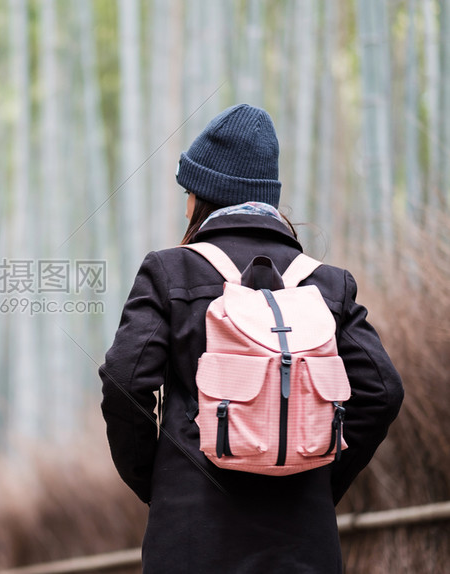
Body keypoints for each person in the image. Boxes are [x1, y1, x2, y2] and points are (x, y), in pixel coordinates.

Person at [100, 104, 404, 573]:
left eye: (187, 191)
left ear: (203, 196)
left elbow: (124, 380)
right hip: (304, 542)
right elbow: (383, 392)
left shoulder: (170, 271)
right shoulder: (326, 283)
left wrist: (160, 478)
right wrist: (318, 473)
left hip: (191, 537)